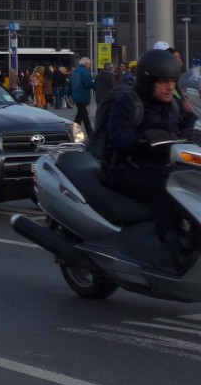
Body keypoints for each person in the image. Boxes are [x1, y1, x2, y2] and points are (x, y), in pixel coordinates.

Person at [104, 47, 199, 269]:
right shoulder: (128, 103)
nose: (170, 87)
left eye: (173, 81)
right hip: (127, 168)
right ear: (148, 81)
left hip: (163, 165)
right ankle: (171, 244)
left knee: (192, 180)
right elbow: (117, 139)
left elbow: (192, 125)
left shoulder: (174, 105)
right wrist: (143, 139)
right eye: (163, 82)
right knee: (167, 186)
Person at [68, 57, 95, 134]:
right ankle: (73, 132)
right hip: (83, 96)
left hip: (76, 96)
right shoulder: (85, 72)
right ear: (86, 63)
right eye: (89, 64)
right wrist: (94, 84)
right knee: (80, 116)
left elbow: (70, 84)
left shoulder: (75, 71)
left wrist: (67, 94)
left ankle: (90, 133)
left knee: (84, 116)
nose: (89, 66)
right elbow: (88, 84)